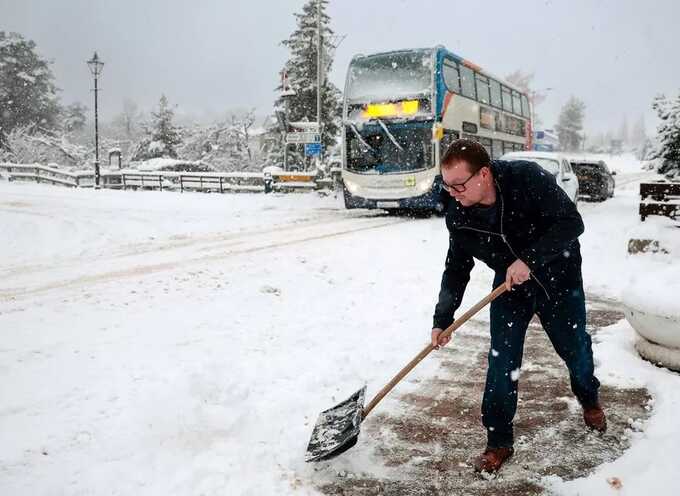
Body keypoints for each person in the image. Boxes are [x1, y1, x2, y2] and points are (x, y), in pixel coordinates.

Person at [431, 139, 605, 474]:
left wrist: (530, 260)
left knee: (575, 351)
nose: (453, 193)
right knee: (502, 360)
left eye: (459, 185)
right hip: (510, 287)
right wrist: (443, 318)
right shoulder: (459, 213)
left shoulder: (526, 179)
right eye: (447, 185)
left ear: (484, 174)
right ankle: (498, 440)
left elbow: (572, 223)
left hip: (559, 278)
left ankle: (588, 396)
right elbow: (456, 267)